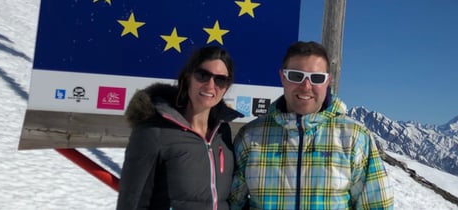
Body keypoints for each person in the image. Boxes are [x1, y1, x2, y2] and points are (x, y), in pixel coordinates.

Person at [229, 41, 394, 209]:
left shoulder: (354, 137)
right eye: (296, 76)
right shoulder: (251, 136)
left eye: (316, 78)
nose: (306, 86)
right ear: (282, 77)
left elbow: (376, 205)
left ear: (327, 81)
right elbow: (232, 203)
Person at [117, 45, 244, 210]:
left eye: (220, 80)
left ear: (226, 87)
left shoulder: (223, 133)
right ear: (188, 78)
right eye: (203, 75)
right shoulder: (153, 132)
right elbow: (132, 201)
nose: (210, 85)